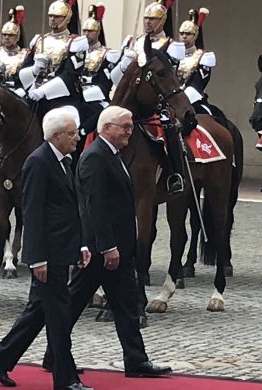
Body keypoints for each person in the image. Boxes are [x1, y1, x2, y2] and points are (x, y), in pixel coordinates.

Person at [42, 106, 172, 379]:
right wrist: (107, 246)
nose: (129, 131)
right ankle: (53, 355)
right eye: (124, 127)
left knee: (126, 305)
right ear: (106, 128)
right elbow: (95, 207)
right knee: (72, 304)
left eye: (129, 126)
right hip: (100, 250)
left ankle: (136, 361)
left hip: (118, 250)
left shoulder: (114, 155)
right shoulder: (94, 157)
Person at [0, 108, 92, 390]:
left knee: (39, 311)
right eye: (71, 133)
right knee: (59, 314)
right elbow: (32, 214)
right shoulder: (39, 162)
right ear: (55, 136)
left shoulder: (66, 161)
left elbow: (71, 210)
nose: (77, 138)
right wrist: (37, 257)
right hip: (47, 255)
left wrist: (79, 244)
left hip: (62, 249)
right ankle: (65, 379)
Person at [111, 0, 186, 195]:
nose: (148, 23)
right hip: (132, 101)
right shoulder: (133, 43)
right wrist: (124, 62)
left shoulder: (172, 45)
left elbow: (168, 75)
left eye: (152, 19)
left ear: (162, 20)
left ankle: (174, 175)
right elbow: (116, 78)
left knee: (168, 127)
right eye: (146, 19)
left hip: (159, 99)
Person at [20, 0, 88, 125]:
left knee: (68, 127)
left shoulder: (76, 43)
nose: (52, 19)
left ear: (67, 18)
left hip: (62, 98)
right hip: (34, 93)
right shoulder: (39, 40)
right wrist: (34, 69)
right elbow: (24, 69)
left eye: (57, 16)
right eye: (50, 16)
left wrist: (43, 91)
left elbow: (70, 75)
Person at [78, 3, 119, 136]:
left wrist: (84, 95)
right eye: (84, 31)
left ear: (98, 32)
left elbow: (105, 85)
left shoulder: (107, 54)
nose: (86, 34)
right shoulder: (76, 52)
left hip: (96, 99)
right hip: (77, 96)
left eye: (90, 31)